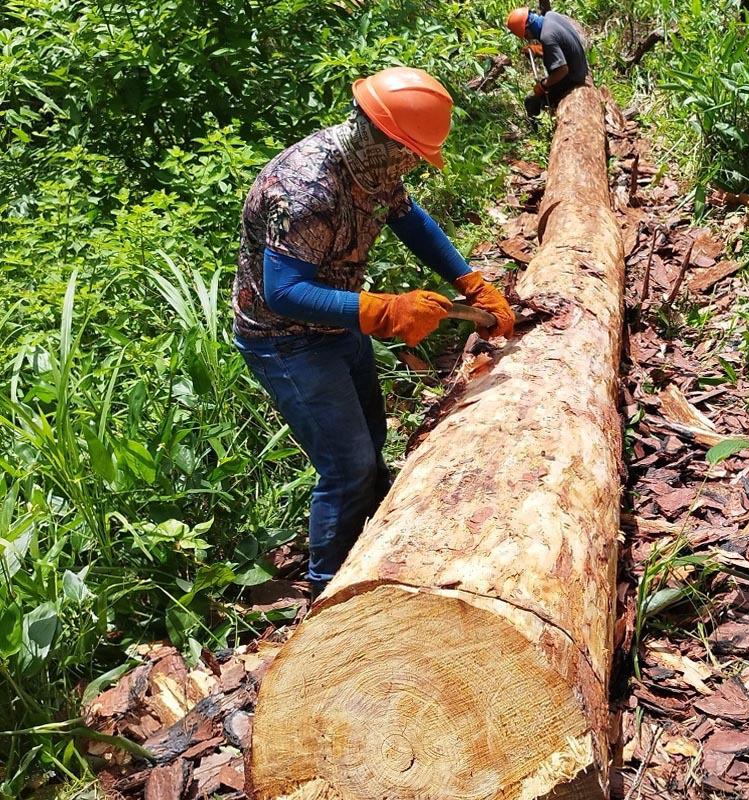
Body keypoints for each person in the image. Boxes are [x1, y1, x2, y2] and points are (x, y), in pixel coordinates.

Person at [231, 66, 515, 597]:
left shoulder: (374, 165)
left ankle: (380, 549)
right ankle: (327, 592)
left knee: (372, 443)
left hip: (337, 324)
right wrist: (385, 311)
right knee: (347, 466)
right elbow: (284, 293)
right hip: (285, 341)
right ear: (382, 134)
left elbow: (412, 222)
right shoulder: (306, 189)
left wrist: (470, 281)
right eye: (408, 151)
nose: (412, 164)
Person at [505, 7, 590, 117]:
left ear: (527, 28)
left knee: (530, 100)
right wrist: (538, 50)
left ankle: (535, 125)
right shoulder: (551, 16)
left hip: (573, 77)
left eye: (526, 36)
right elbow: (559, 45)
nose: (528, 39)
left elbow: (562, 70)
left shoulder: (547, 37)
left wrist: (543, 86)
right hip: (579, 65)